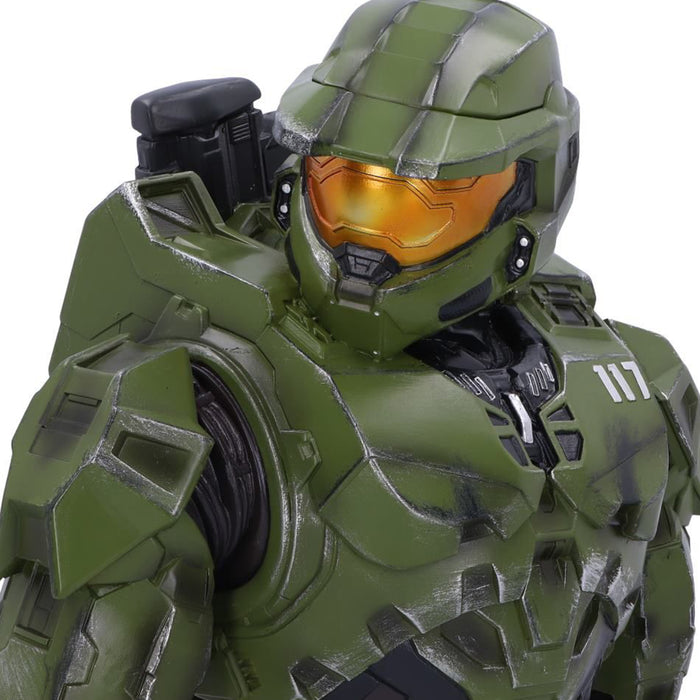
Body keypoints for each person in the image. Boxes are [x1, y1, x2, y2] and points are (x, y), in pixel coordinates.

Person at [0, 1, 697, 698]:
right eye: (345, 190)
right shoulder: (198, 412)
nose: (367, 248)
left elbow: (651, 649)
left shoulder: (631, 381)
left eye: (424, 205)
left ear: (527, 193)